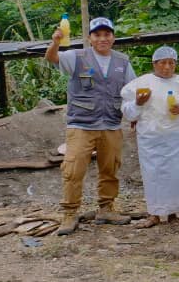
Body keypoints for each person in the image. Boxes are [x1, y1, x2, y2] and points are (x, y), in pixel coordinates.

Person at [44, 16, 137, 235]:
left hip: (112, 124)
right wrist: (55, 42)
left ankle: (106, 208)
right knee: (73, 169)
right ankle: (70, 214)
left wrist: (135, 114)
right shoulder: (77, 57)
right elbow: (51, 58)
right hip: (81, 124)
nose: (103, 38)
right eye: (98, 35)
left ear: (113, 38)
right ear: (90, 38)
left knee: (110, 168)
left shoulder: (122, 61)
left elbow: (132, 90)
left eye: (107, 34)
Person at [120, 46, 179, 228]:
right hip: (151, 138)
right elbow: (128, 113)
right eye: (163, 63)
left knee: (177, 174)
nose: (167, 67)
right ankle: (154, 214)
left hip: (177, 137)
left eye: (171, 63)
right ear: (154, 64)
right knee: (153, 175)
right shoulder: (140, 84)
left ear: (176, 65)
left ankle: (173, 212)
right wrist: (138, 103)